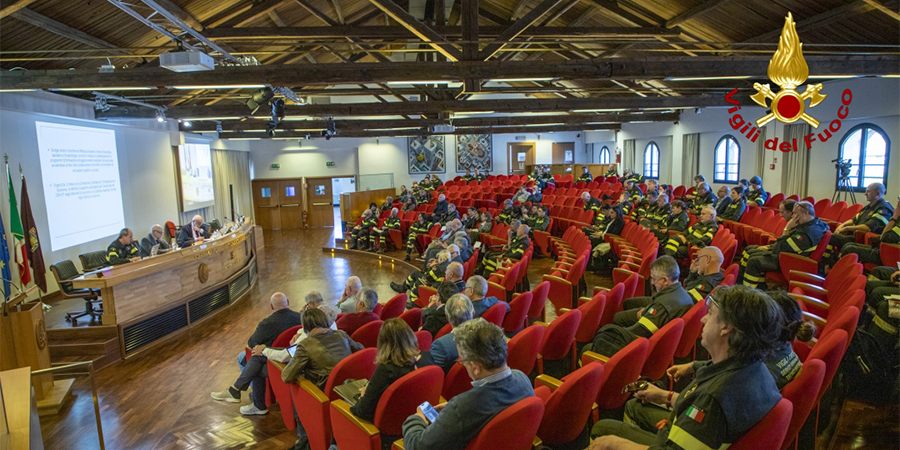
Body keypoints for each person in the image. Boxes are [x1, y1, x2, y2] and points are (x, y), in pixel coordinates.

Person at [589, 286, 783, 450]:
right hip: (695, 436)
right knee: (634, 406)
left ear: (726, 327)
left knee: (603, 431)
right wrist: (665, 396)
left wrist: (612, 443)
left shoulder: (712, 399)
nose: (703, 320)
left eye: (710, 314)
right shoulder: (755, 367)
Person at [402, 319, 535, 450]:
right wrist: (452, 411)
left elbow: (416, 446)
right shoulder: (523, 378)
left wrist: (416, 419)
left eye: (462, 360)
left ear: (475, 367)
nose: (462, 364)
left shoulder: (461, 409)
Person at [210, 292, 303, 414]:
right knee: (255, 359)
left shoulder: (267, 323)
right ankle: (238, 392)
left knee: (247, 358)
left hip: (278, 360)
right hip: (292, 356)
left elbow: (251, 343)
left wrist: (264, 348)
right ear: (288, 302)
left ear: (271, 306)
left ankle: (251, 398)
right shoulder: (301, 318)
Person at [283, 308, 364, 444]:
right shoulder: (342, 335)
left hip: (322, 393)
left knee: (296, 385)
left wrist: (294, 349)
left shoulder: (305, 345)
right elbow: (361, 349)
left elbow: (286, 376)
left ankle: (304, 437)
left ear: (305, 327)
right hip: (347, 389)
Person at [589, 256, 692, 357]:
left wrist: (614, 335)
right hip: (662, 340)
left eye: (654, 279)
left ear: (665, 280)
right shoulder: (682, 293)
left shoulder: (661, 306)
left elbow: (640, 331)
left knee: (594, 342)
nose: (652, 282)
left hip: (647, 350)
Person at [739, 201, 828, 289]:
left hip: (791, 261)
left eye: (795, 214)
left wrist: (787, 229)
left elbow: (781, 249)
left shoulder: (806, 233)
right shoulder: (817, 223)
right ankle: (755, 287)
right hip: (788, 254)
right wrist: (771, 247)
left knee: (754, 261)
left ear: (805, 213)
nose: (793, 217)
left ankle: (748, 291)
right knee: (751, 252)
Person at [351, 318, 420, 426]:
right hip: (404, 420)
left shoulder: (385, 369)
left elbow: (362, 411)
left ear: (383, 343)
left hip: (381, 426)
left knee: (339, 408)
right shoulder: (417, 362)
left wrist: (364, 395)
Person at [622, 247, 724, 311]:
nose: (696, 261)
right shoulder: (712, 276)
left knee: (625, 310)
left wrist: (650, 309)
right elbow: (689, 289)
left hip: (671, 305)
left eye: (699, 258)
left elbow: (688, 301)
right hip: (673, 299)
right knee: (629, 302)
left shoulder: (707, 283)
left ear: (708, 259)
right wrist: (692, 273)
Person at [838, 195, 900, 265]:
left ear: (877, 193)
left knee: (849, 249)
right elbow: (854, 219)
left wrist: (895, 217)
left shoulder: (884, 208)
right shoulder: (869, 207)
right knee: (848, 245)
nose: (865, 193)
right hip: (881, 248)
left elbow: (883, 236)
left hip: (890, 254)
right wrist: (842, 226)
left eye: (869, 191)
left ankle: (844, 273)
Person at [421, 293, 475, 373]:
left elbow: (432, 374)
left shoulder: (441, 345)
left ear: (447, 317)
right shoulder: (486, 334)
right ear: (473, 313)